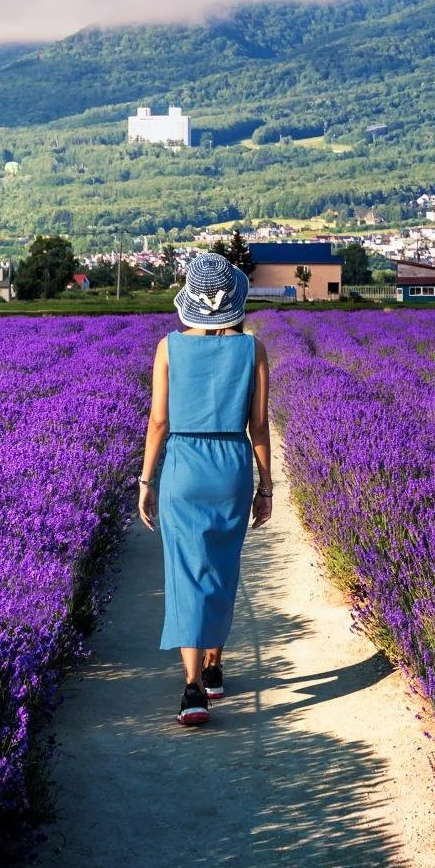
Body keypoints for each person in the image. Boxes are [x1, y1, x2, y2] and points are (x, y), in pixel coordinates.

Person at [138, 251, 275, 726]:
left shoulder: (168, 348)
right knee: (222, 566)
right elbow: (258, 427)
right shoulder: (252, 350)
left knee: (185, 572)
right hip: (231, 465)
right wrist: (266, 488)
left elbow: (158, 421)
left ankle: (192, 688)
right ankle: (216, 667)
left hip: (183, 464)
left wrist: (145, 481)